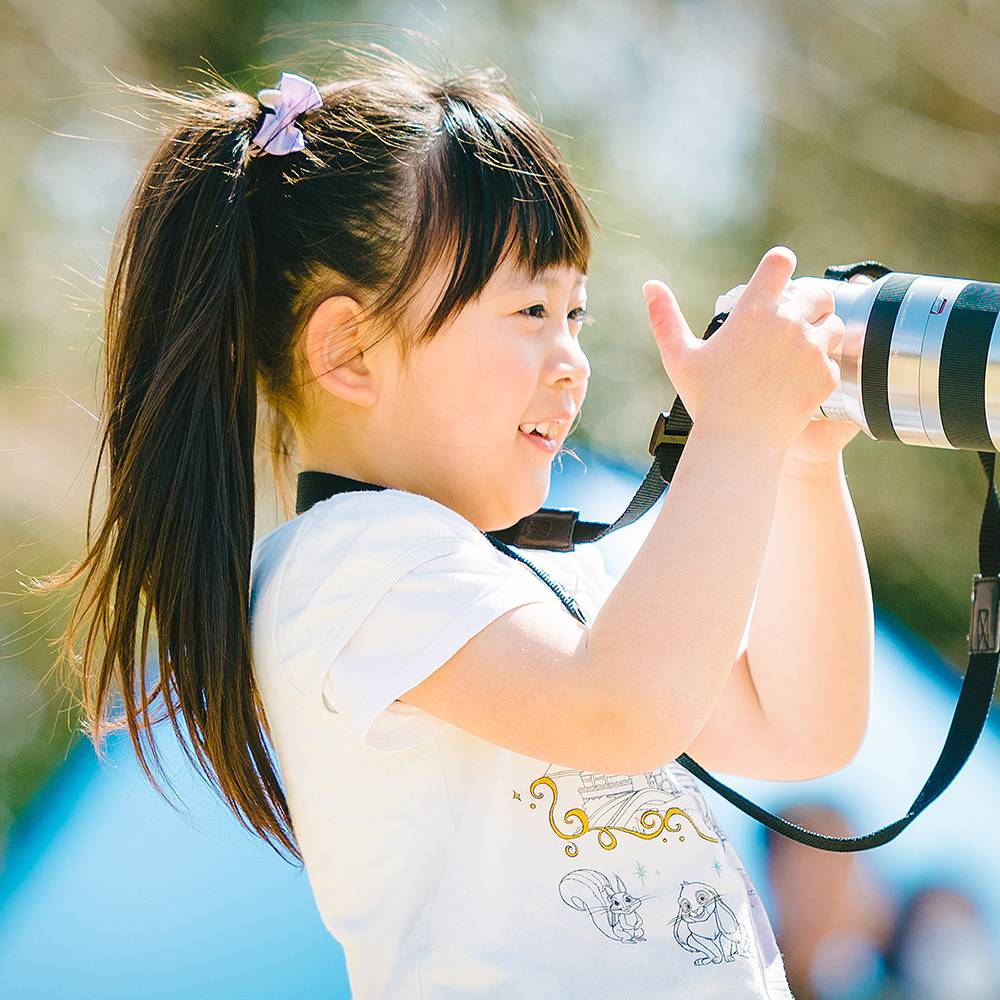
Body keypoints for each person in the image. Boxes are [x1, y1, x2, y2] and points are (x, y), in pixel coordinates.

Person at [40, 38, 873, 999]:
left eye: (577, 315)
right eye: (529, 312)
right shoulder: (349, 565)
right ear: (350, 350)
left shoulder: (530, 576)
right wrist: (736, 435)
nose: (572, 360)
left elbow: (800, 732)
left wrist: (798, 462)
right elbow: (623, 708)